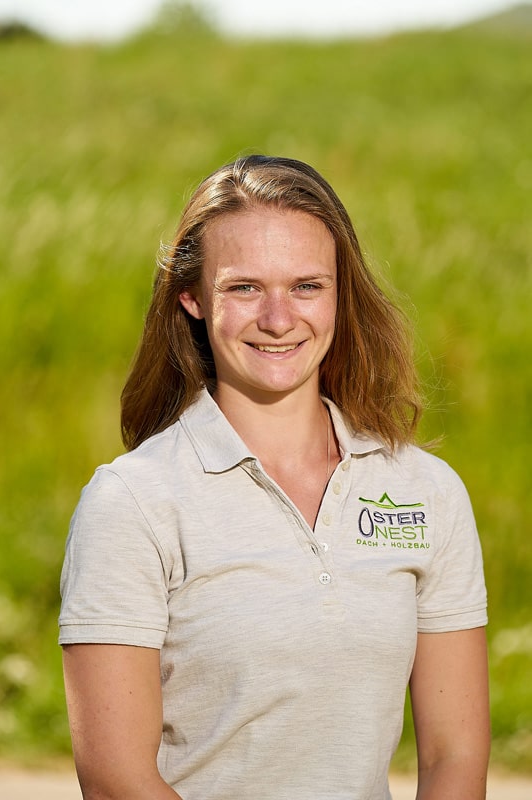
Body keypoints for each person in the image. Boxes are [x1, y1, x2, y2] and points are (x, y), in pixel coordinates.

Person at [59, 155, 490, 800]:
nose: (279, 318)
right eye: (244, 288)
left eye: (307, 286)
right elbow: (116, 779)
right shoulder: (133, 501)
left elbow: (454, 755)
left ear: (341, 294)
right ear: (192, 299)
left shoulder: (425, 492)